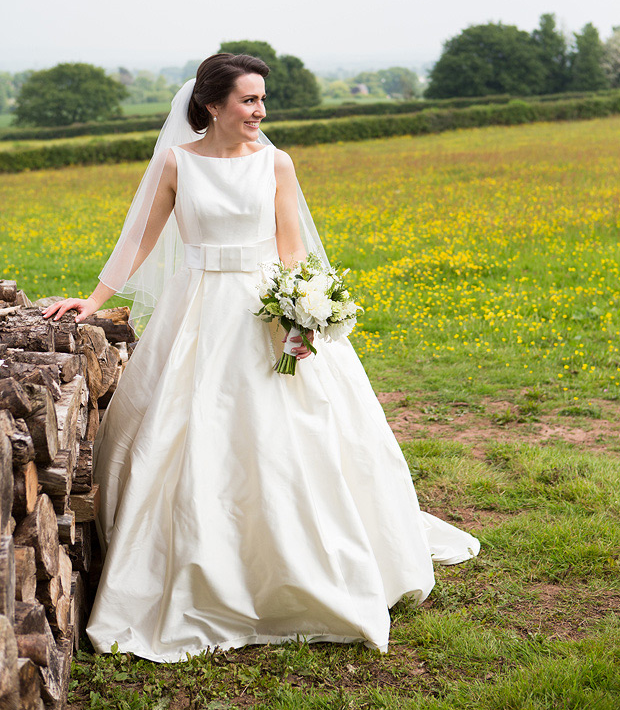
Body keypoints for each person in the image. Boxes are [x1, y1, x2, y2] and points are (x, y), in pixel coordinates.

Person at [44, 53, 480, 662]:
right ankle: (200, 570)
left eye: (262, 100)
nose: (260, 111)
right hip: (197, 312)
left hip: (265, 311)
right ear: (212, 105)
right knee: (190, 431)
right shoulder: (178, 163)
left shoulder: (278, 163)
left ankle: (309, 565)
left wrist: (304, 316)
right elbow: (139, 236)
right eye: (248, 100)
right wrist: (94, 301)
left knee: (294, 434)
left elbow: (294, 252)